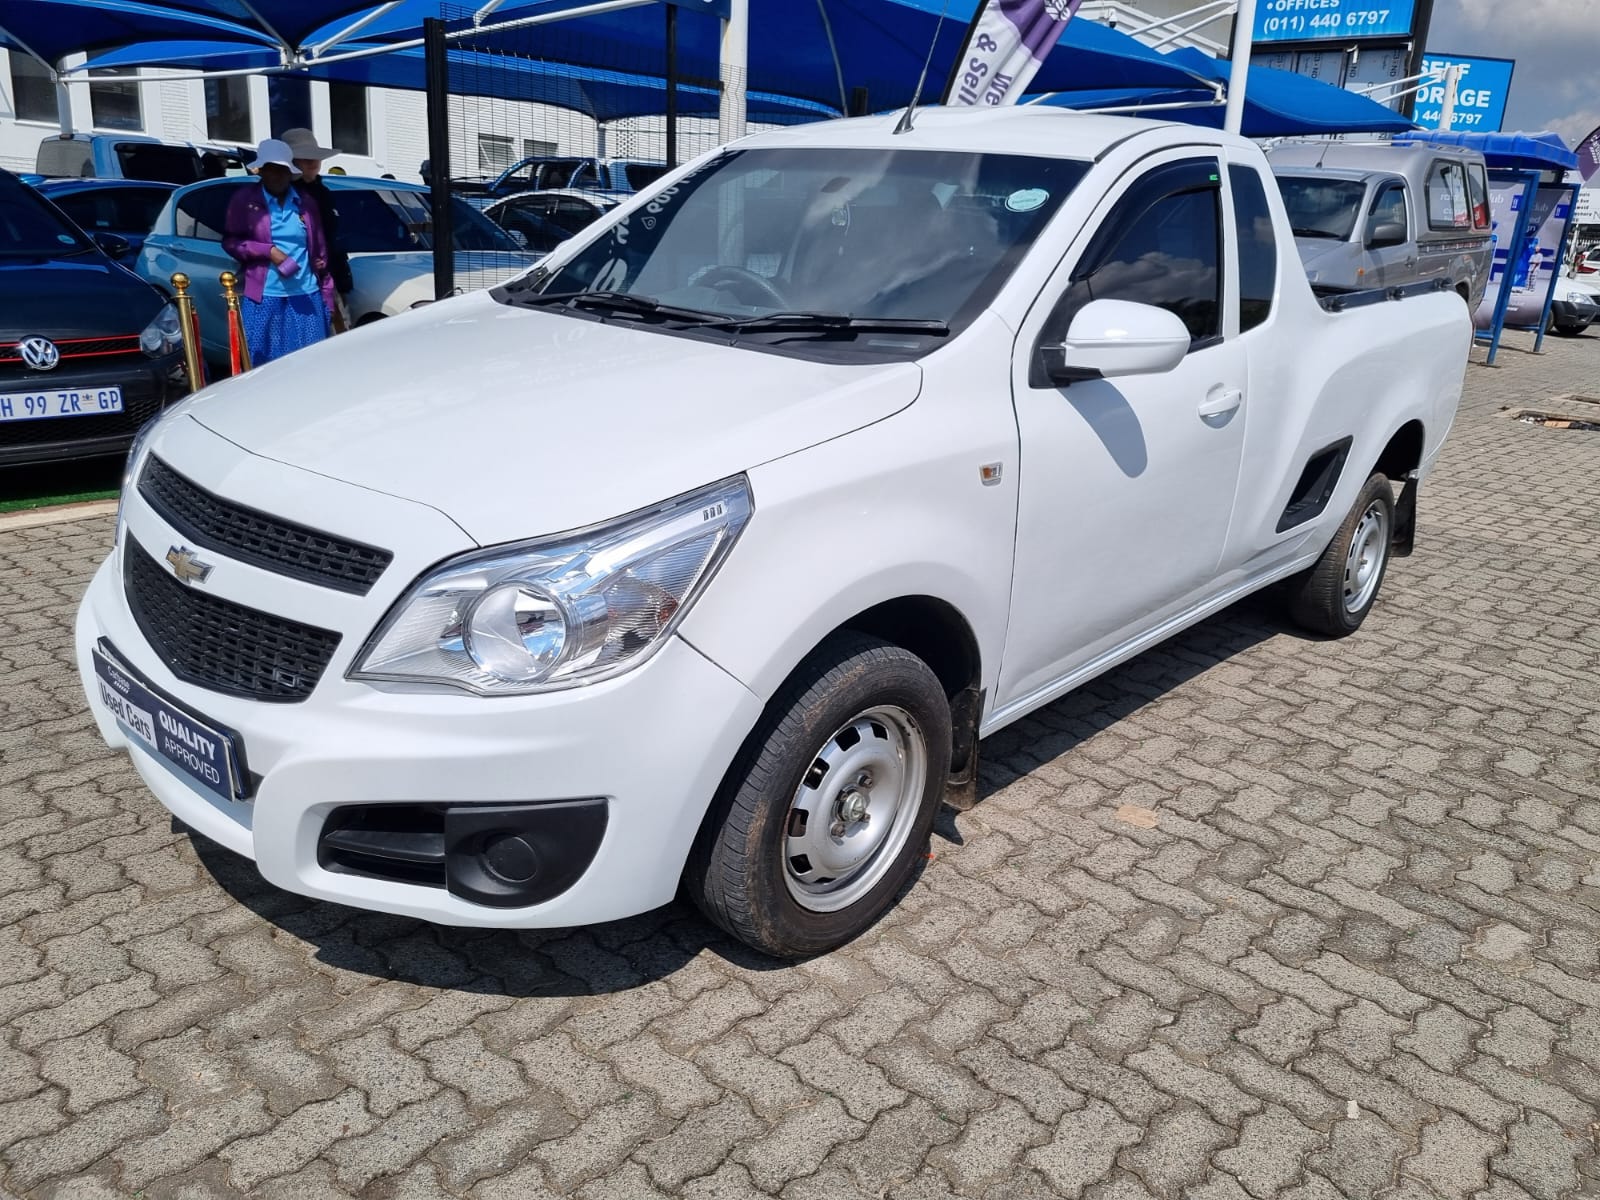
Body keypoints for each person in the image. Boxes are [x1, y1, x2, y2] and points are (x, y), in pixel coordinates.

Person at [221, 139, 335, 366]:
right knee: (264, 365)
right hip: (265, 295)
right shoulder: (244, 200)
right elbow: (231, 242)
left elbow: (320, 251)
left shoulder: (305, 202)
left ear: (290, 173)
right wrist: (268, 251)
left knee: (312, 363)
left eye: (283, 170)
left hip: (306, 293)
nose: (277, 176)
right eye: (272, 169)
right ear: (261, 171)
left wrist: (327, 295)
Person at [280, 128, 354, 321]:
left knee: (337, 332)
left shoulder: (323, 193)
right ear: (292, 162)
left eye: (315, 157)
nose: (312, 163)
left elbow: (333, 236)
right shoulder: (284, 195)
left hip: (330, 277)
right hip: (298, 281)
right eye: (305, 158)